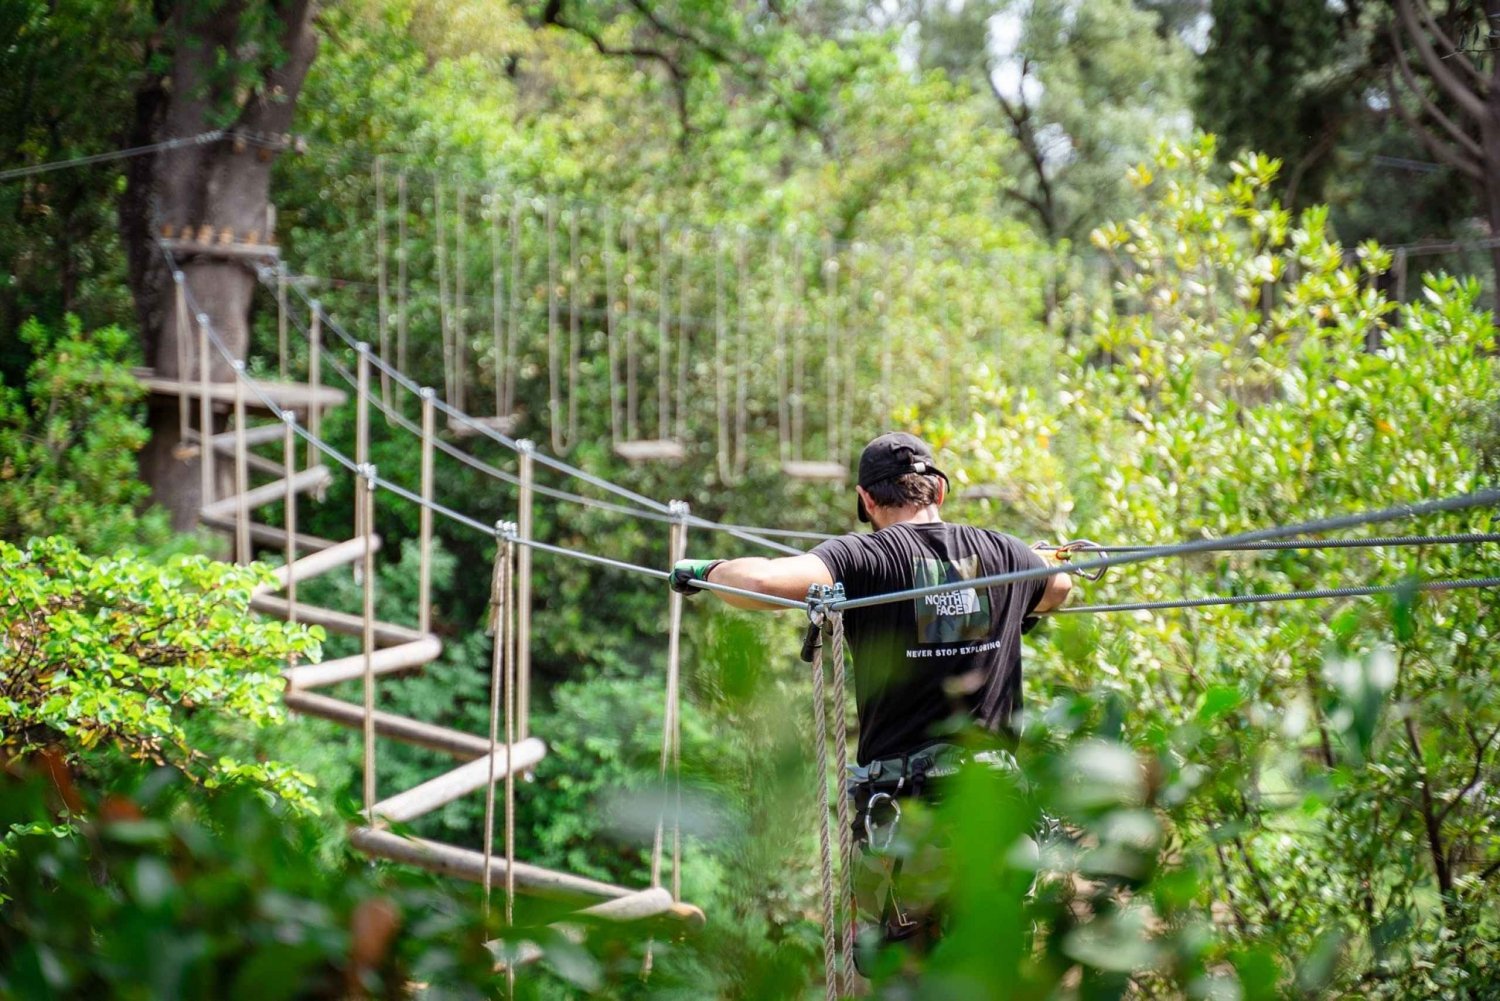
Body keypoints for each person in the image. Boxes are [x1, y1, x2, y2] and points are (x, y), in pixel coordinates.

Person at [669, 431, 1075, 963]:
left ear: (866, 499)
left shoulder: (863, 557)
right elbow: (1061, 588)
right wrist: (1026, 587)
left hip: (914, 823)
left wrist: (704, 572)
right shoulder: (1003, 552)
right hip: (995, 810)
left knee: (908, 968)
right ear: (940, 492)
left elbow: (765, 584)